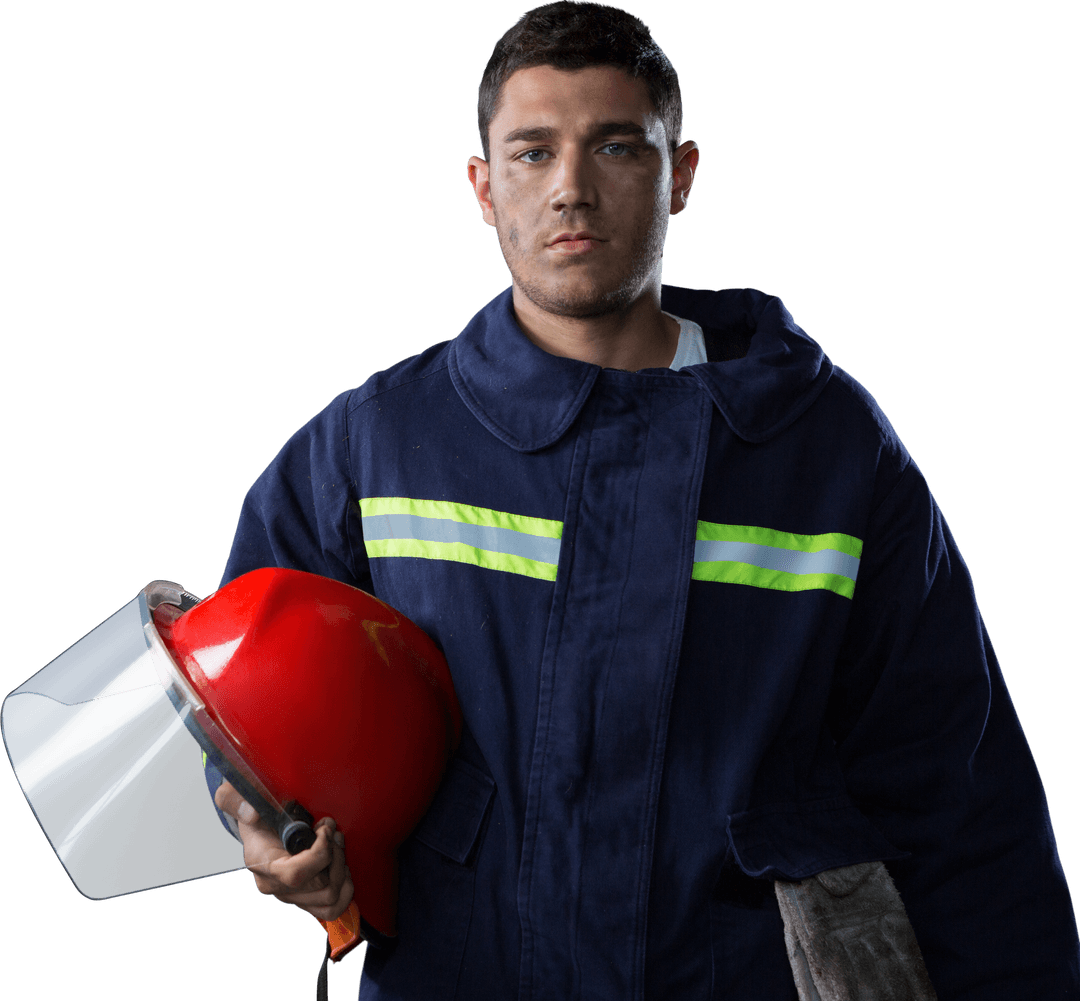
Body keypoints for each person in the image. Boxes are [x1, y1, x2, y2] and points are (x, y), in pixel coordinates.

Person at [210, 2, 1080, 998]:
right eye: (533, 154)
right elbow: (238, 687)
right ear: (484, 188)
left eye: (615, 146)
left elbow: (958, 787)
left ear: (683, 173)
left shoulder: (825, 449)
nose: (570, 188)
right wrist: (258, 820)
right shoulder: (376, 443)